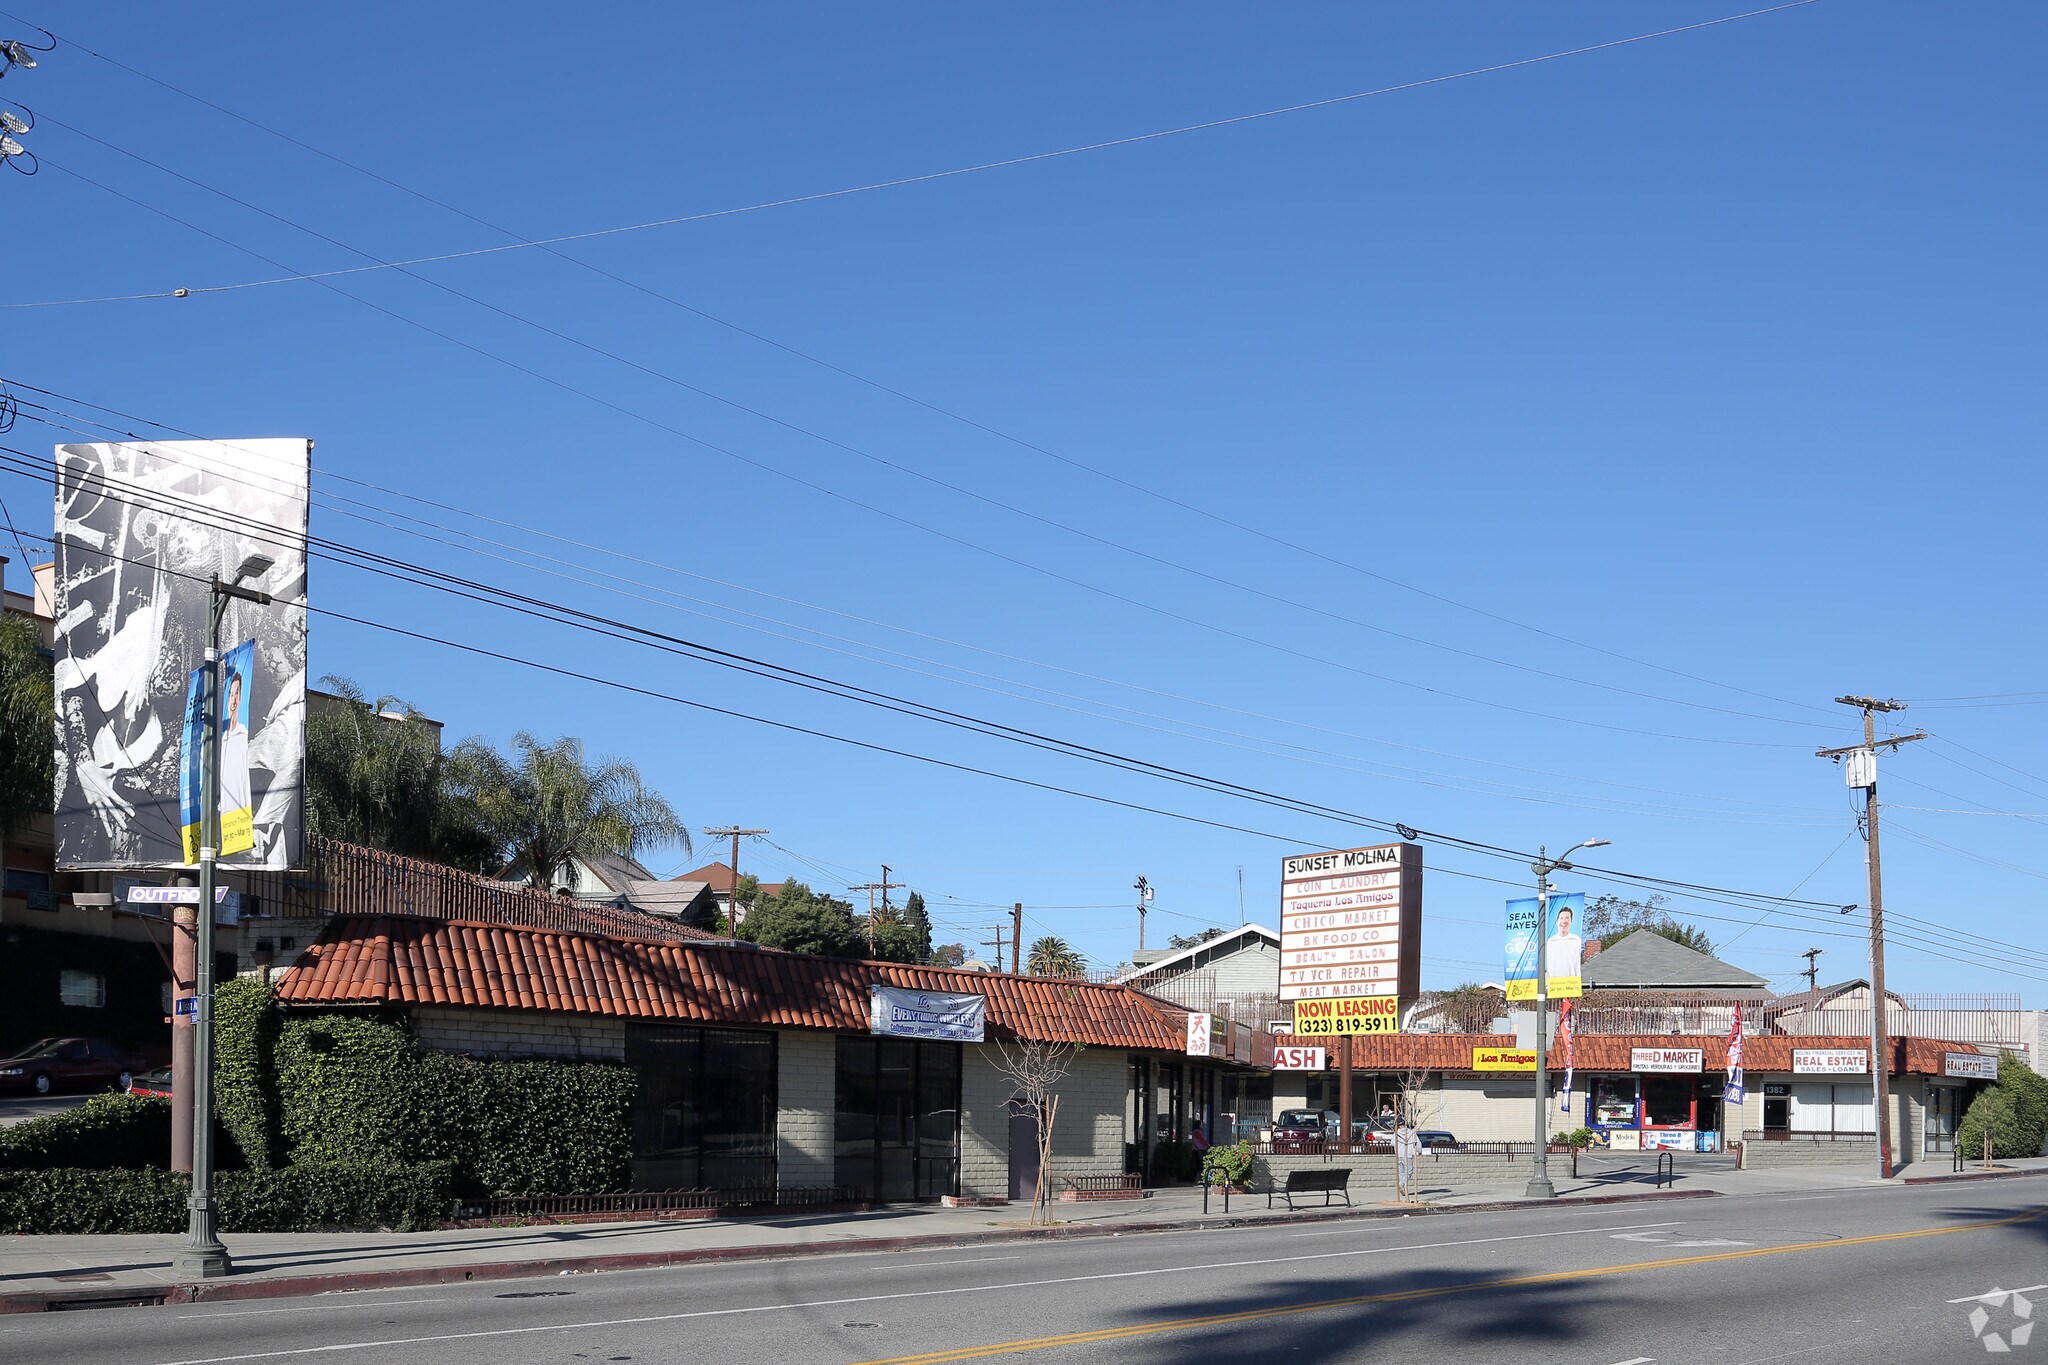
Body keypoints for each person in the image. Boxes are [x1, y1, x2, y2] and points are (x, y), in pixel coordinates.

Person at [217, 666, 252, 821]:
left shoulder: (242, 734)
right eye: (231, 694)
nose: (233, 700)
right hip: (221, 809)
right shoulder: (221, 736)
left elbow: (243, 777)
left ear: (240, 697)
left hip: (238, 813)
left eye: (236, 693)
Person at [1546, 904, 1584, 982]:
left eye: (1567, 918)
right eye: (1561, 918)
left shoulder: (1576, 940)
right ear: (1557, 921)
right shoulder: (1550, 942)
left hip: (1571, 984)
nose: (1564, 921)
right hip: (1555, 984)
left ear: (1571, 921)